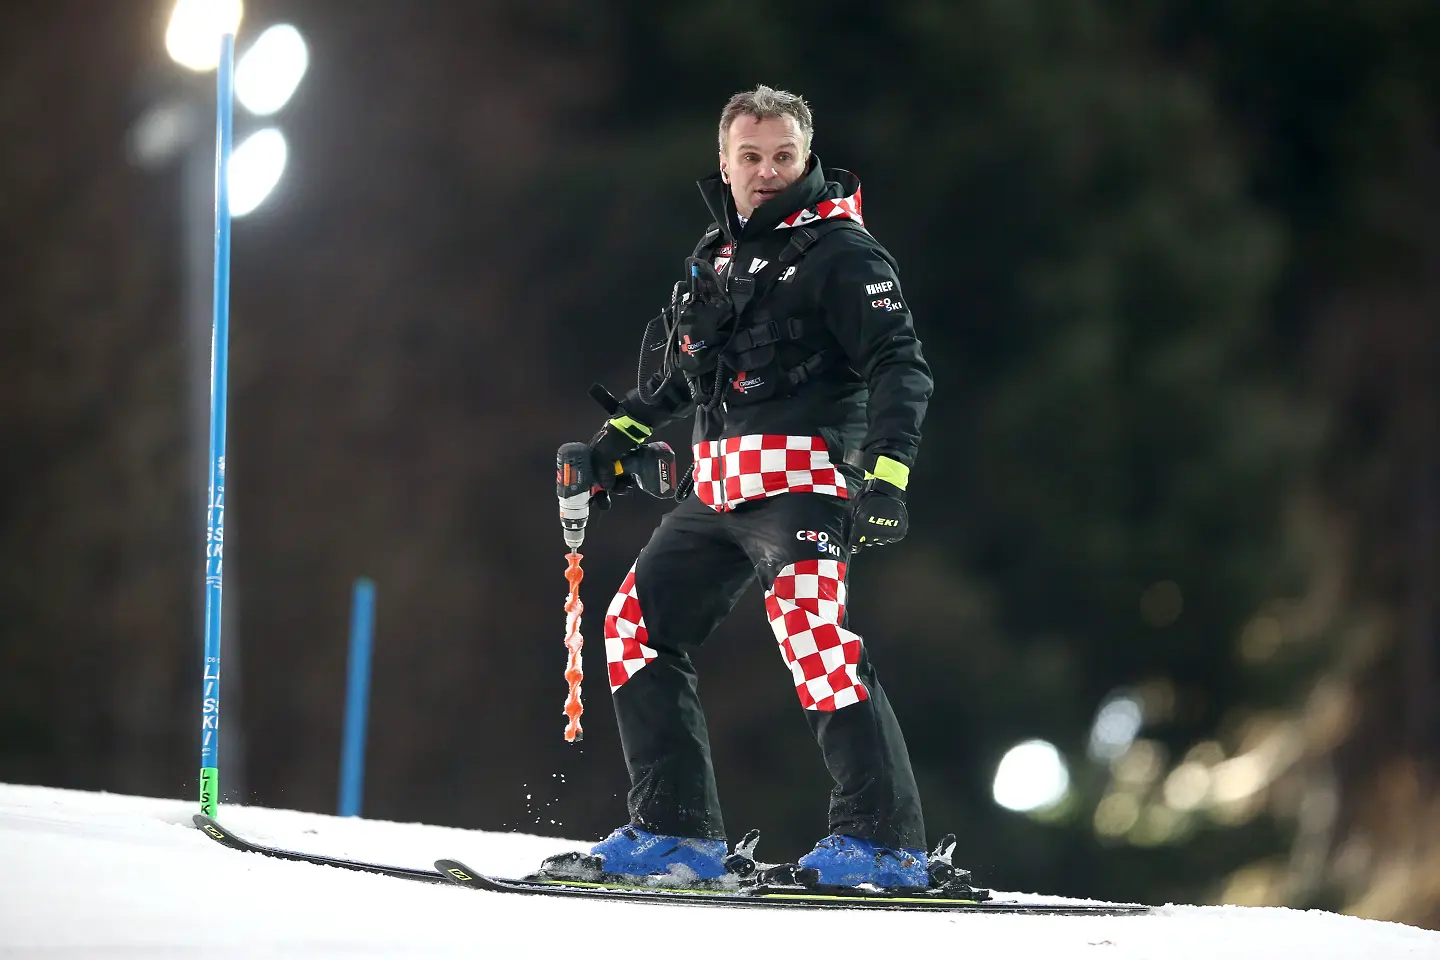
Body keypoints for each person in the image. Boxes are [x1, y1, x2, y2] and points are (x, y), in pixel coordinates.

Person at [572, 84, 934, 889]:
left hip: (802, 481)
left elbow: (900, 365)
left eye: (783, 156)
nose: (768, 171)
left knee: (814, 638)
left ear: (807, 158)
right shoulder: (718, 252)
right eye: (751, 156)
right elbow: (686, 375)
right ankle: (675, 835)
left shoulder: (844, 252)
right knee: (634, 627)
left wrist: (887, 475)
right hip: (717, 486)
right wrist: (616, 439)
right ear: (725, 163)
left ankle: (884, 846)